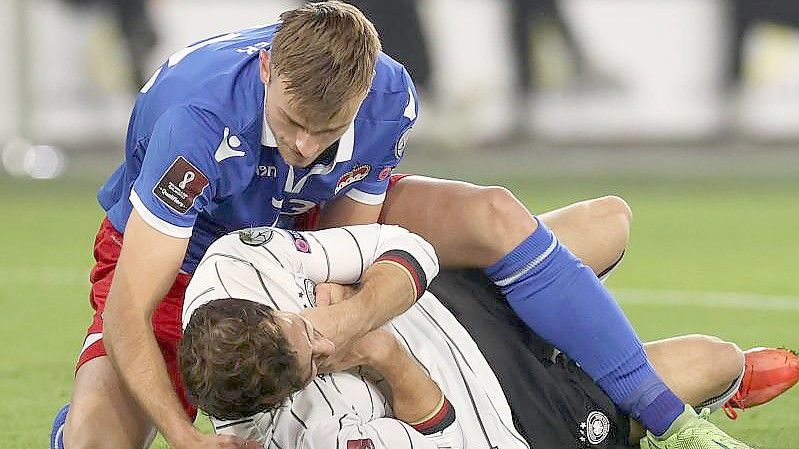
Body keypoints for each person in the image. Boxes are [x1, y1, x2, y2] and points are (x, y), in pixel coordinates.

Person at [49, 2, 736, 448]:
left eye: (328, 131)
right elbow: (129, 307)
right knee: (95, 443)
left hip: (308, 232)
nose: (303, 147)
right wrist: (184, 436)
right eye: (290, 123)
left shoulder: (386, 98)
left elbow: (356, 246)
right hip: (190, 251)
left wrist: (346, 328)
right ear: (265, 70)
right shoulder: (195, 124)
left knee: (497, 213)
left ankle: (667, 417)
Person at [177, 223, 798, 448]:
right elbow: (441, 435)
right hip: (509, 417)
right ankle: (687, 401)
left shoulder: (238, 266)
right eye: (314, 359)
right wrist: (383, 355)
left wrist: (354, 314)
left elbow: (402, 246)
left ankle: (577, 329)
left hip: (450, 309)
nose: (318, 339)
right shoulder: (317, 437)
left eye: (298, 326)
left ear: (258, 312)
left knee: (608, 220)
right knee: (715, 359)